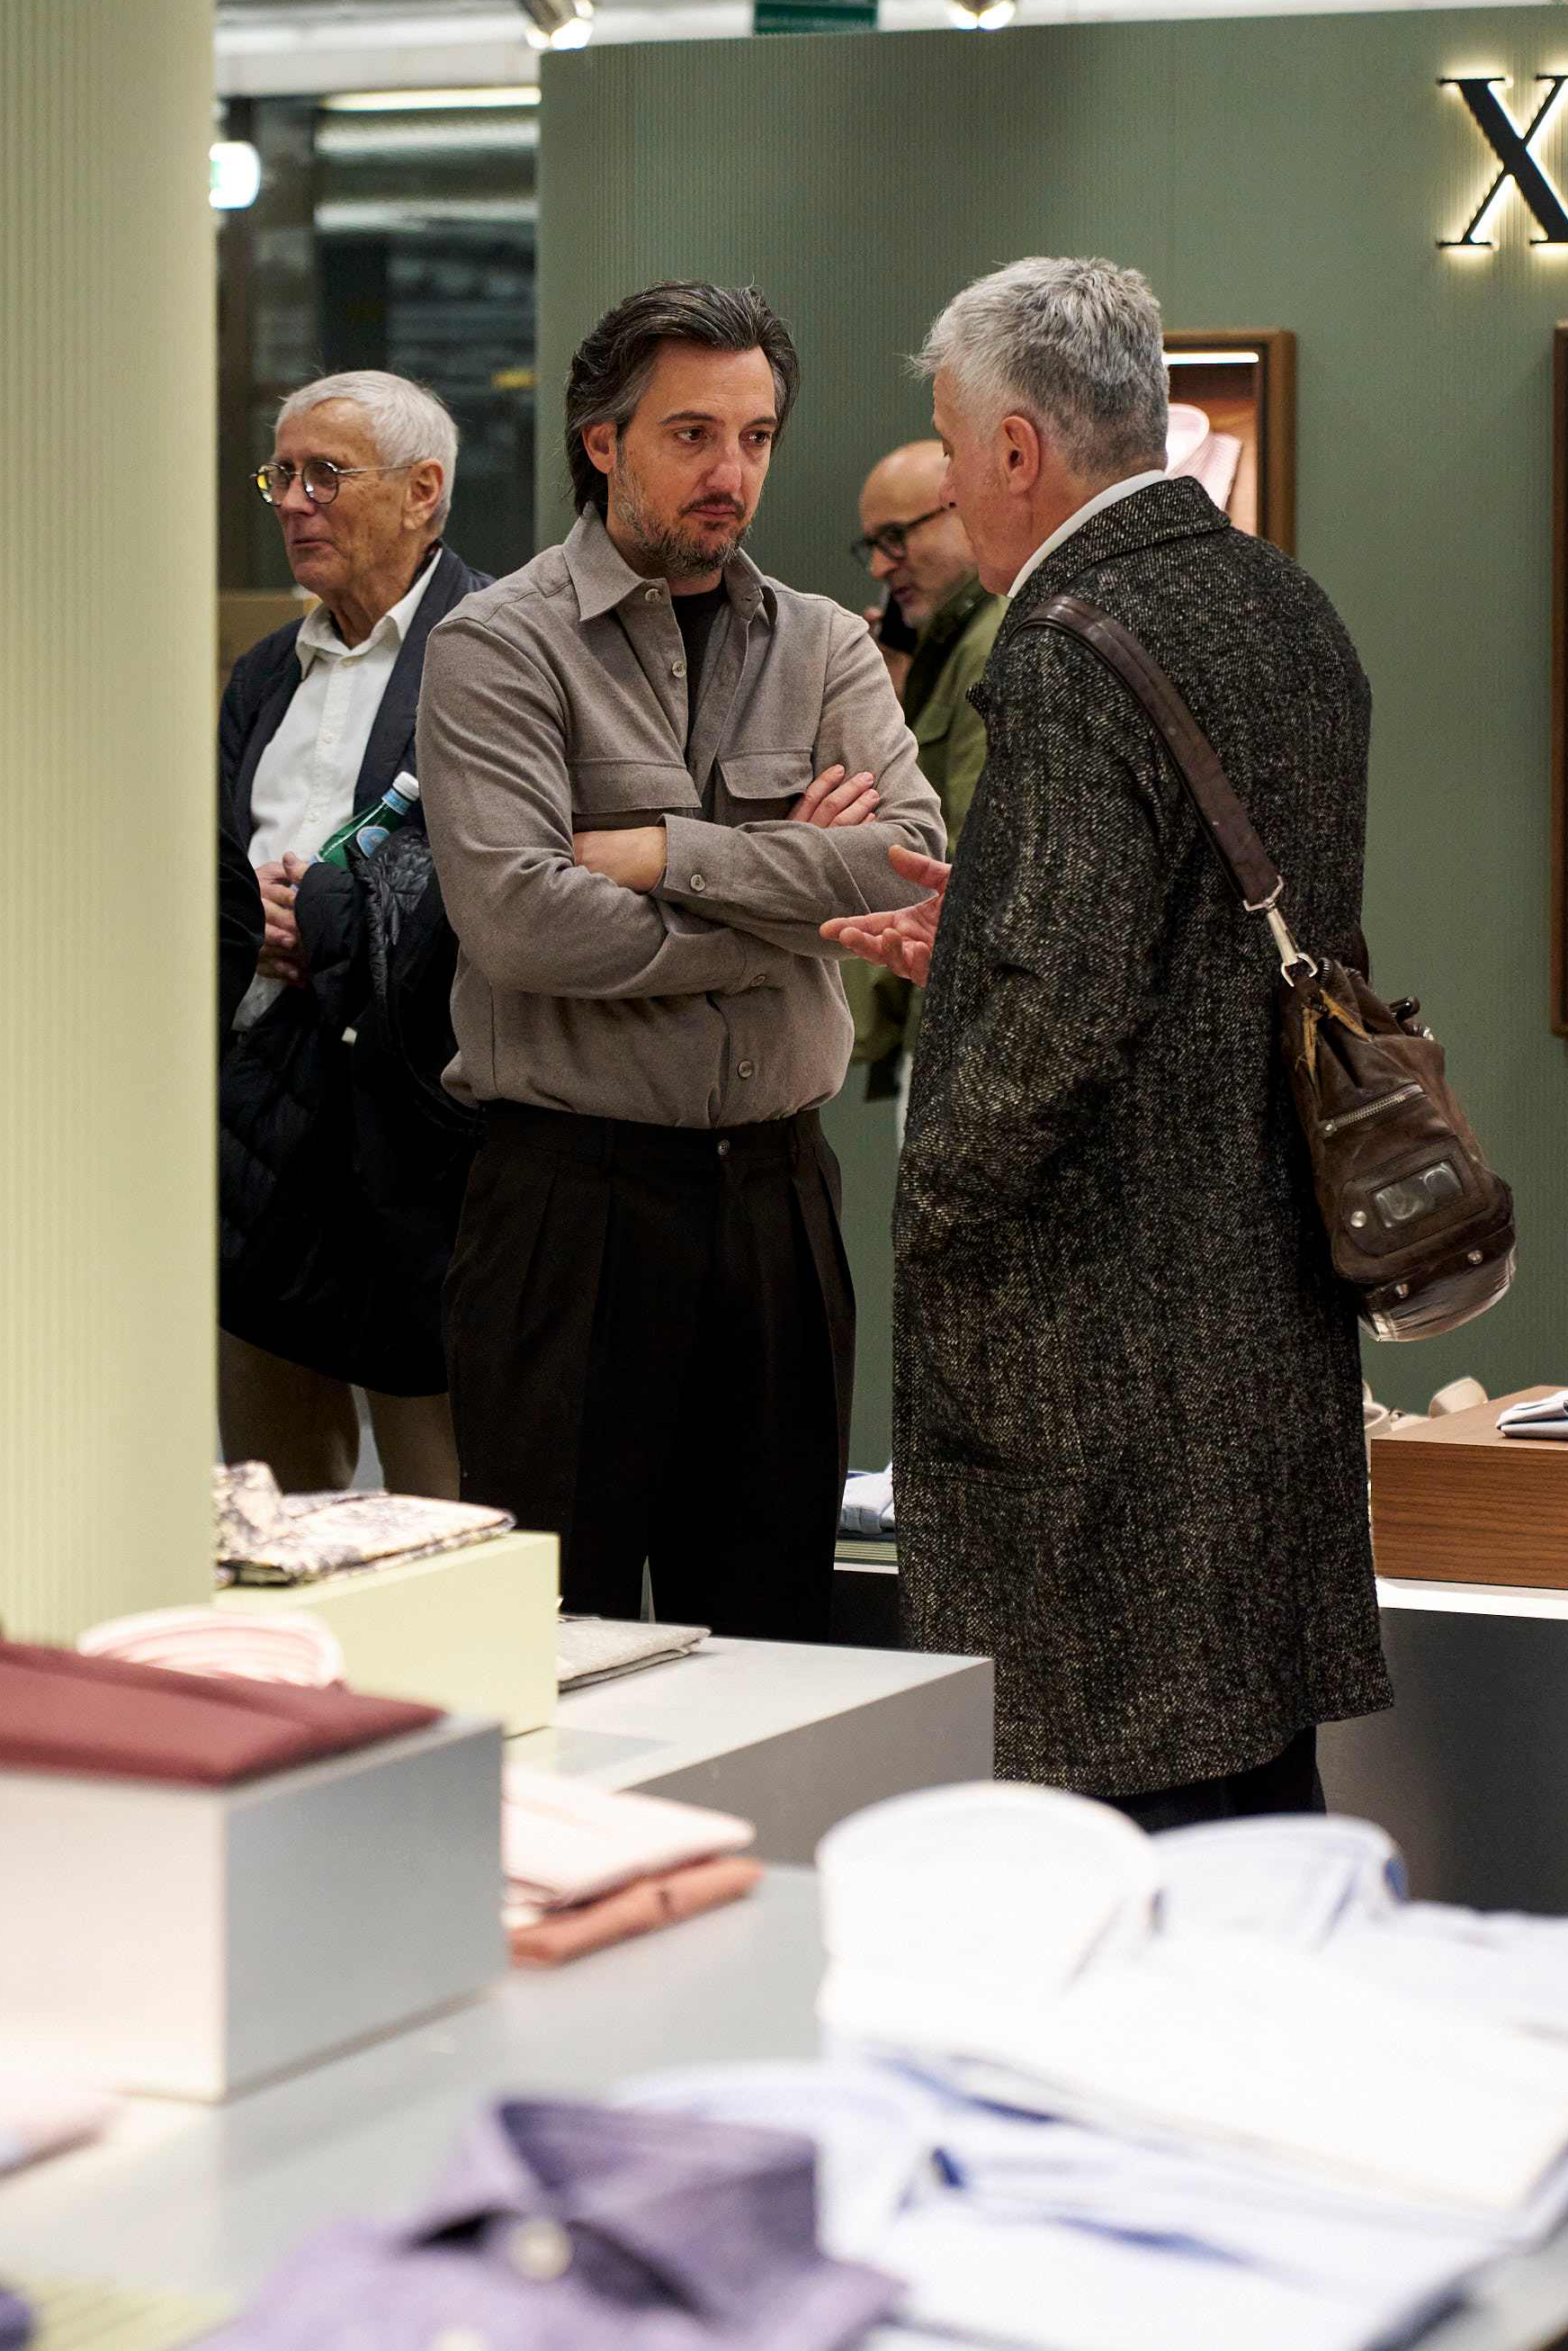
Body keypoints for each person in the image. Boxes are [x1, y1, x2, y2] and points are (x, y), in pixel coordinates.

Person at [824, 256, 1391, 1826]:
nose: (950, 485)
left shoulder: (1072, 646)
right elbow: (1194, 934)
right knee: (1254, 1782)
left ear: (1018, 449)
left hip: (1091, 1345)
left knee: (1103, 1815)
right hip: (1265, 1295)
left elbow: (1063, 1019)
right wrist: (982, 944)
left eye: (953, 449)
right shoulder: (1285, 605)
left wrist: (938, 1202)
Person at [417, 282, 945, 1640]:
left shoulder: (823, 642)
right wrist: (789, 901)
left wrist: (659, 852)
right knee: (560, 1639)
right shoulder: (497, 647)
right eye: (693, 435)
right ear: (603, 442)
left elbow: (906, 859)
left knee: (774, 1629)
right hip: (570, 1203)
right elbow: (521, 919)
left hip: (778, 1198)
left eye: (756, 437)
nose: (733, 473)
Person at [218, 370, 489, 1498]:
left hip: (422, 1113)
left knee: (447, 1492)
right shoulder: (263, 672)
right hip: (268, 1105)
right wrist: (251, 927)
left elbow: (516, 871)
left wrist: (334, 921)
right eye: (281, 474)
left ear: (422, 491)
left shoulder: (496, 649)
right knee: (275, 1488)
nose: (292, 501)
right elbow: (210, 855)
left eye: (324, 474)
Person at [845, 442, 1005, 1124]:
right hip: (949, 1024)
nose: (882, 567)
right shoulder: (950, 649)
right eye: (874, 546)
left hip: (968, 1038)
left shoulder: (991, 646)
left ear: (959, 509)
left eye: (895, 537)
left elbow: (970, 856)